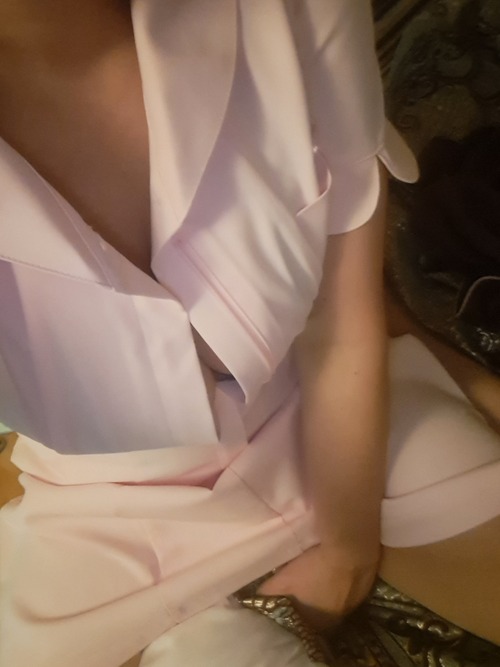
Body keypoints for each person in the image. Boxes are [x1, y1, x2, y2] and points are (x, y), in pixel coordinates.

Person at [0, 2, 499, 666]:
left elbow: (342, 314)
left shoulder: (287, 10)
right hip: (101, 511)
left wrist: (348, 548)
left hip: (337, 410)